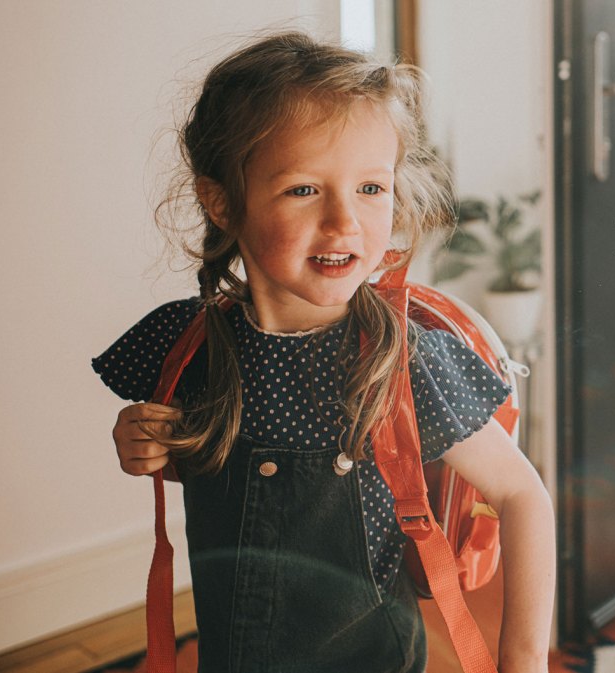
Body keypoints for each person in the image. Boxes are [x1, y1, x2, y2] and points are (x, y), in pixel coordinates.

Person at [91, 31, 555, 673]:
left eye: (370, 188)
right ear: (221, 202)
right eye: (304, 189)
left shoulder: (405, 361)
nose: (345, 222)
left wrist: (523, 659)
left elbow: (522, 495)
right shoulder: (185, 344)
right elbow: (210, 469)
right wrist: (142, 441)